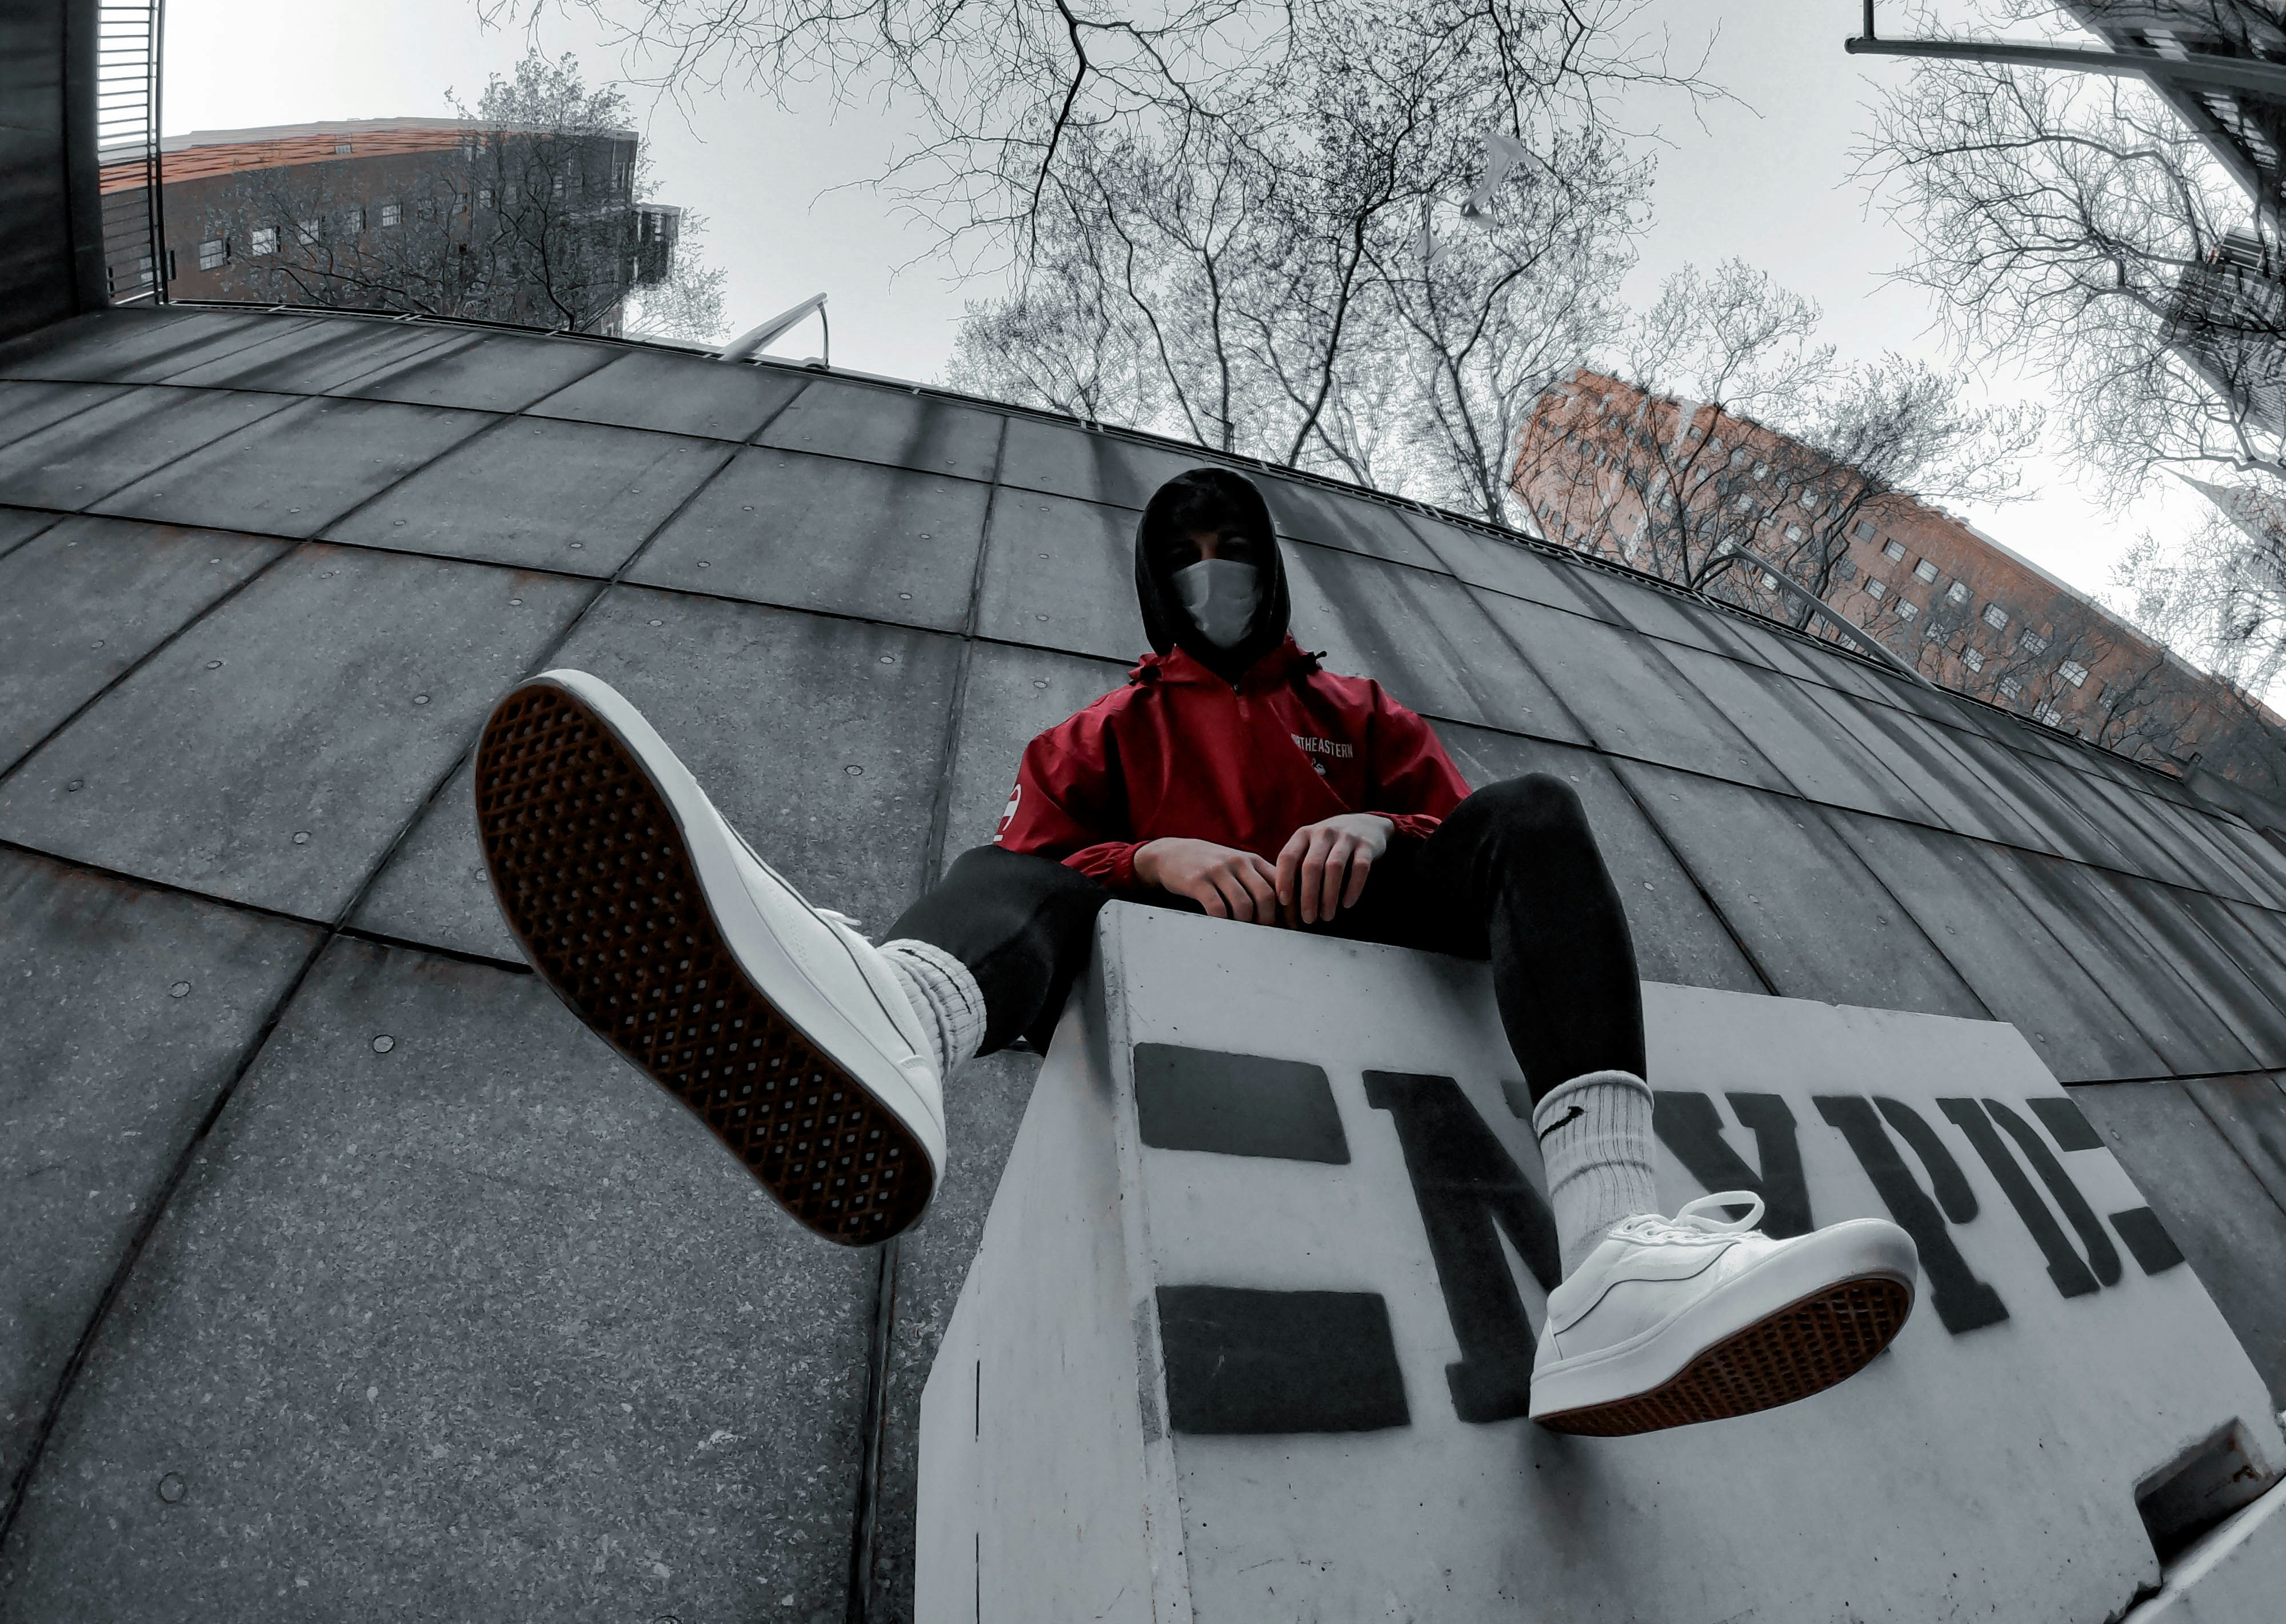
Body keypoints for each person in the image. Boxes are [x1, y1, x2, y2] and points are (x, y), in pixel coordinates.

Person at [473, 466, 1916, 1436]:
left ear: (1271, 573)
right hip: (1161, 934)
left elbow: (1479, 846)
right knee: (1010, 875)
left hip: (1355, 918)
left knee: (1539, 813)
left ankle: (1611, 1261)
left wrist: (1379, 825)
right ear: (1156, 586)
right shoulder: (1100, 732)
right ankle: (898, 1013)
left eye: (1236, 554)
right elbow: (1034, 859)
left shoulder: (1358, 709)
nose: (1215, 576)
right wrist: (1145, 855)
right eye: (1188, 560)